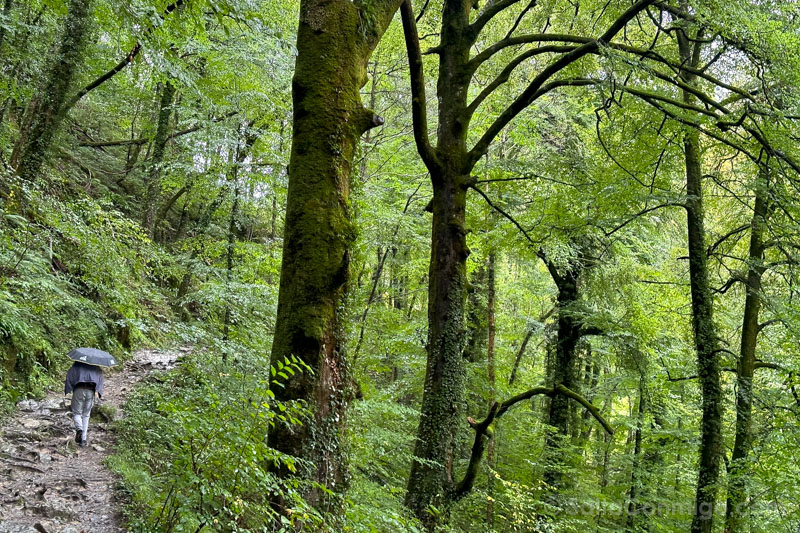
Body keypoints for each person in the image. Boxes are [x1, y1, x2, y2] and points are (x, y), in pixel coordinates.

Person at [64, 361, 104, 447]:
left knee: (76, 413)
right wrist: (99, 393)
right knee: (86, 415)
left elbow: (69, 377)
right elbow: (100, 381)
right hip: (90, 391)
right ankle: (83, 440)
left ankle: (79, 429)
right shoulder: (96, 368)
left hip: (79, 390)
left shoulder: (76, 365)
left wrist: (69, 388)